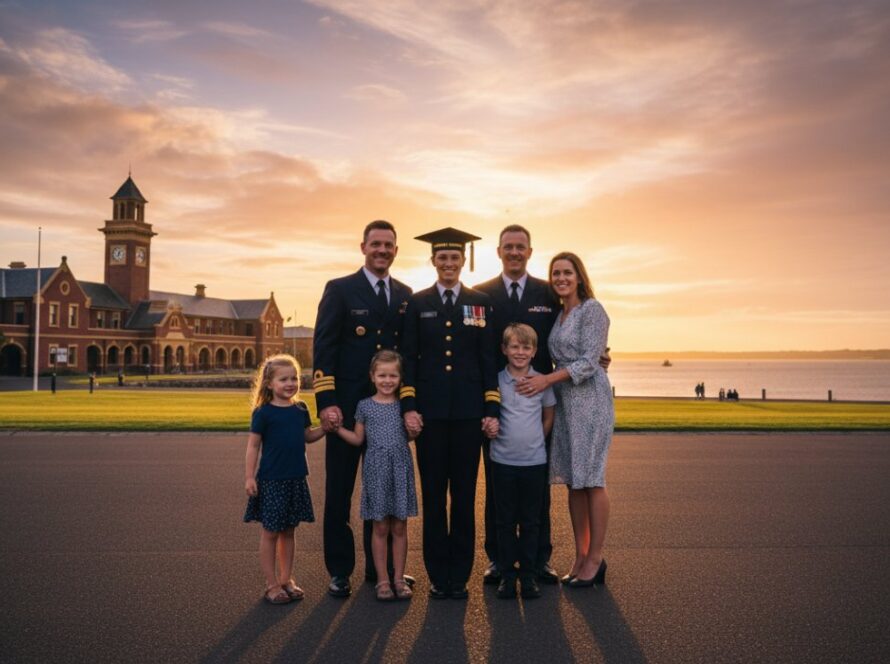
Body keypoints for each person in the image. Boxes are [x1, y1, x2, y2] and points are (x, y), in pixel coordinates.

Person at [474, 224, 611, 586]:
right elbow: (478, 347)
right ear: (499, 251)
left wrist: (600, 358)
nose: (514, 252)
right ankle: (498, 559)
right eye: (508, 247)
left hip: (547, 402)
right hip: (501, 400)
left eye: (521, 247)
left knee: (542, 483)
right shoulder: (481, 294)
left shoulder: (546, 293)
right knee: (498, 484)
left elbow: (579, 344)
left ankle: (540, 558)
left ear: (530, 252)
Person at [312, 220, 415, 598]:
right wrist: (327, 403)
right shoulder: (339, 290)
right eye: (376, 244)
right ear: (363, 247)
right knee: (340, 492)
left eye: (389, 245)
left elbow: (409, 357)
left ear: (396, 251)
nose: (382, 250)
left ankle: (384, 572)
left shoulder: (405, 295)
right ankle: (340, 570)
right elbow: (323, 348)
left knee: (385, 496)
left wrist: (408, 404)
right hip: (348, 409)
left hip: (388, 411)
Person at [400, 227, 500, 600]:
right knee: (433, 496)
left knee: (463, 495)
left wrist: (492, 407)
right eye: (442, 258)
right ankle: (436, 574)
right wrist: (408, 407)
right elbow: (409, 358)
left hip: (468, 416)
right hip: (429, 416)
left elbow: (487, 359)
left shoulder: (480, 302)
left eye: (454, 258)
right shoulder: (418, 302)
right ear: (433, 261)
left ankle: (459, 575)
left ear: (463, 261)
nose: (448, 264)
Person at [518, 252, 613, 588]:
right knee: (574, 481)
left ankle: (596, 557)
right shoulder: (560, 315)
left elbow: (589, 363)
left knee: (592, 478)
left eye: (567, 272)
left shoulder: (592, 309)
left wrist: (546, 380)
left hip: (591, 401)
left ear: (579, 276)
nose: (560, 278)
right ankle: (580, 554)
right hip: (566, 403)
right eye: (555, 273)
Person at [335, 350, 418, 601]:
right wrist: (336, 428)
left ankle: (398, 578)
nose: (387, 380)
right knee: (380, 526)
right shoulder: (364, 406)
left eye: (393, 375)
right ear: (372, 376)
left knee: (400, 526)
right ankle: (382, 580)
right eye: (382, 375)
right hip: (376, 468)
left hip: (400, 467)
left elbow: (411, 436)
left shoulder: (405, 406)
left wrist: (415, 429)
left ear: (400, 377)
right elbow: (358, 439)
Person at [243, 354, 325, 604]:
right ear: (269, 383)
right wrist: (249, 477)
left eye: (295, 378)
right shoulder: (263, 413)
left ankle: (286, 580)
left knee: (289, 531)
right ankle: (271, 584)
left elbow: (307, 437)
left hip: (296, 478)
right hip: (272, 480)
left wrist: (326, 429)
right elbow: (253, 446)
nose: (290, 383)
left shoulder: (301, 409)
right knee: (270, 533)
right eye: (283, 379)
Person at [490, 324, 556, 600]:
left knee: (531, 521)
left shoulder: (542, 382)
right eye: (514, 347)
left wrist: (535, 442)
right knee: (504, 521)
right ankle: (507, 575)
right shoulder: (496, 381)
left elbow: (548, 416)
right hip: (502, 461)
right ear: (504, 349)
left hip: (534, 462)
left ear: (534, 351)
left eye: (526, 347)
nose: (520, 352)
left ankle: (528, 575)